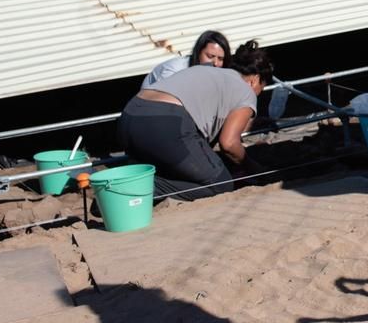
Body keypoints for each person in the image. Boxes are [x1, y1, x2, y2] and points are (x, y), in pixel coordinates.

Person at [117, 40, 274, 202]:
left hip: (130, 116)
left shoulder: (208, 71)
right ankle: (127, 192)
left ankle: (127, 184)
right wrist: (252, 167)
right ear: (254, 80)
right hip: (164, 124)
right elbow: (229, 144)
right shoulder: (245, 91)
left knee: (183, 170)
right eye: (260, 90)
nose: (257, 95)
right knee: (222, 184)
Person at [141, 30, 232, 88]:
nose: (215, 63)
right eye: (210, 56)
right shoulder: (173, 72)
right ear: (198, 52)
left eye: (220, 59)